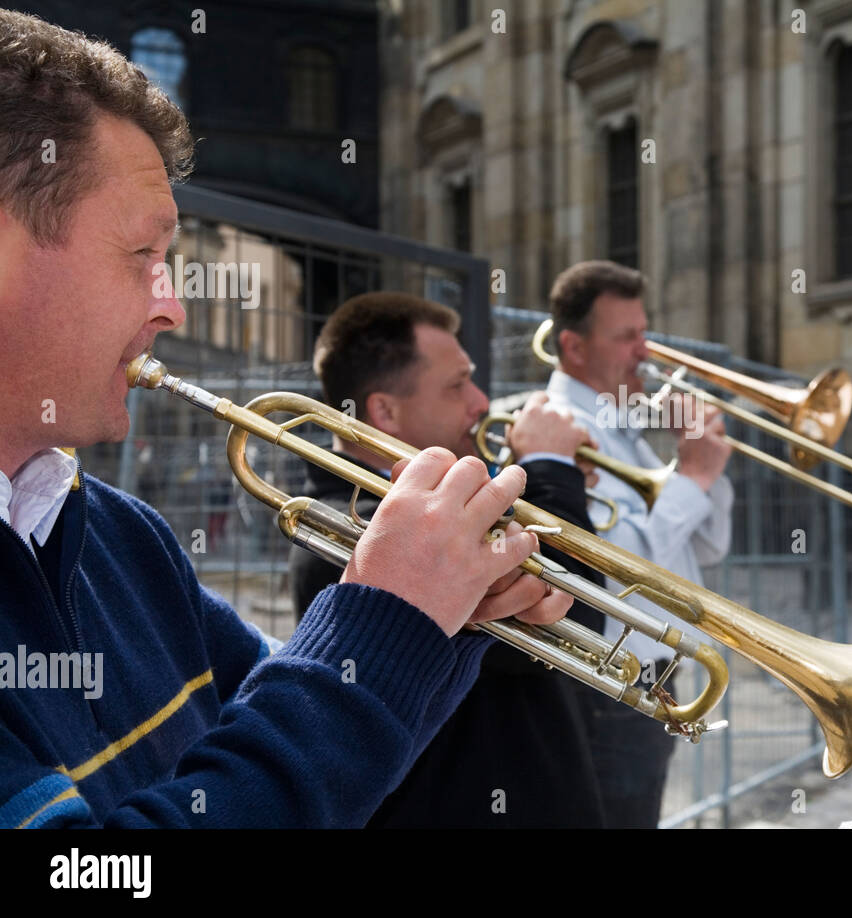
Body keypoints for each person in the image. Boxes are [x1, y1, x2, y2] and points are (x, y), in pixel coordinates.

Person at [0, 10, 571, 828]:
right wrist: (384, 616)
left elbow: (310, 781)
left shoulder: (125, 539)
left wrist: (438, 625)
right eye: (143, 257)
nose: (174, 311)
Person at [289, 291, 609, 827]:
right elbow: (579, 614)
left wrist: (551, 492)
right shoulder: (349, 528)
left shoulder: (443, 506)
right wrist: (551, 473)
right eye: (457, 384)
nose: (481, 401)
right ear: (384, 410)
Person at [543, 259, 734, 828]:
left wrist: (702, 468)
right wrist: (694, 476)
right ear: (574, 348)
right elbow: (622, 573)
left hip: (649, 680)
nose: (645, 352)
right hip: (612, 688)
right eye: (626, 337)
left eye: (644, 333)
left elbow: (704, 548)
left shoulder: (618, 427)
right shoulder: (559, 428)